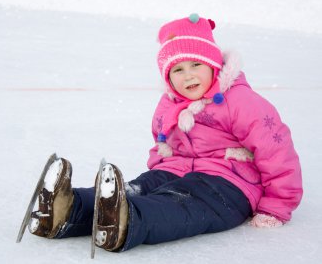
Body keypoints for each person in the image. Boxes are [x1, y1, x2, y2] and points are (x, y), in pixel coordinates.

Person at [27, 13, 303, 252]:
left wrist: (277, 205)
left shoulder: (241, 101)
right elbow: (162, 142)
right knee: (137, 189)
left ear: (214, 65)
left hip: (228, 185)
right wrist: (158, 174)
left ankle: (127, 221)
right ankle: (68, 208)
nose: (188, 76)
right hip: (177, 170)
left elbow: (276, 151)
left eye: (196, 65)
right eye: (178, 70)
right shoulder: (169, 104)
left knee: (180, 203)